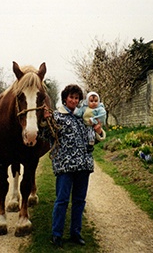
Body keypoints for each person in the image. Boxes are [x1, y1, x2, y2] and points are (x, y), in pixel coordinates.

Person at [42, 84, 106, 248]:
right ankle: (57, 235)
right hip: (65, 166)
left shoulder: (83, 116)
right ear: (65, 98)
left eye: (77, 98)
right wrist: (45, 119)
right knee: (62, 201)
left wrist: (98, 131)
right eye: (71, 97)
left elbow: (92, 139)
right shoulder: (56, 116)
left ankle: (75, 233)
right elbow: (46, 135)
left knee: (79, 201)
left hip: (84, 165)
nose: (74, 100)